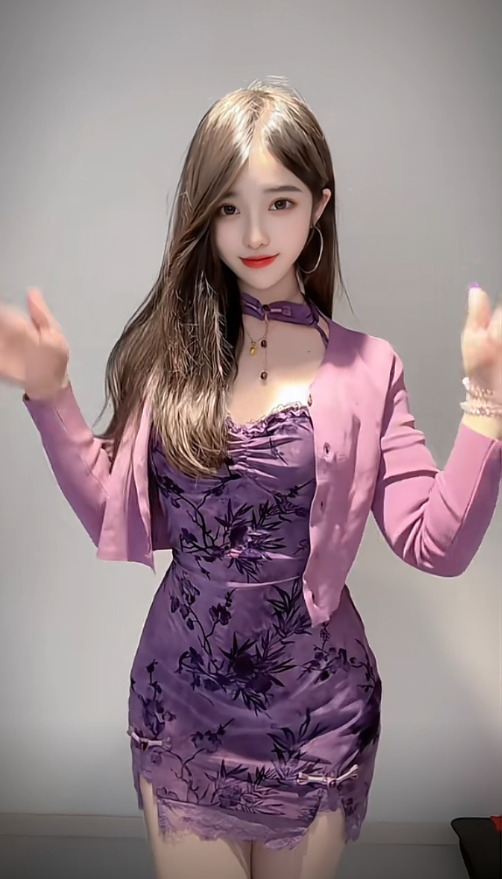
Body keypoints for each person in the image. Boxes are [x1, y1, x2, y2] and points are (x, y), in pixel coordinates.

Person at [0, 81, 501, 879]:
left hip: (317, 718)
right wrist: (50, 393)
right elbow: (114, 513)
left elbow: (434, 543)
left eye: (281, 202)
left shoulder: (370, 368)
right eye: (229, 207)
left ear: (320, 206)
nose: (256, 232)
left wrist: (488, 408)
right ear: (203, 215)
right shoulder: (171, 361)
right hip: (182, 708)